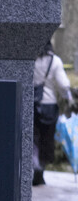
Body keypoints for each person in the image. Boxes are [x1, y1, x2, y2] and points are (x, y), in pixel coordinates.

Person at [33, 41, 74, 185]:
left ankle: (34, 164)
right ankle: (40, 169)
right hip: (49, 106)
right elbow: (63, 85)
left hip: (32, 104)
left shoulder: (32, 59)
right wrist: (68, 99)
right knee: (46, 139)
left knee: (33, 139)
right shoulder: (55, 61)